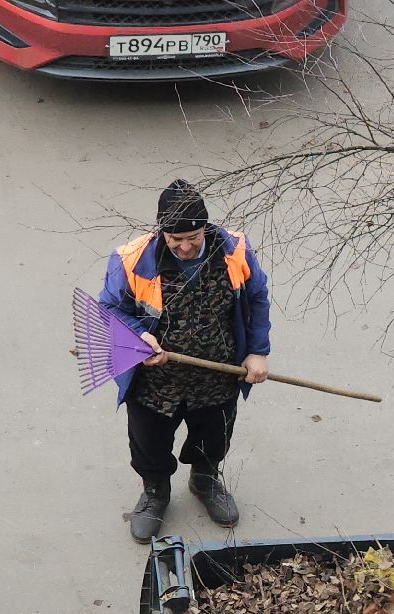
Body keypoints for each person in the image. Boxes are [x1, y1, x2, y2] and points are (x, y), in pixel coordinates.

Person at [100, 179, 272, 543]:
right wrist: (137, 336)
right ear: (161, 232)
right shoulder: (130, 259)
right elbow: (110, 308)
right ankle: (155, 492)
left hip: (218, 372)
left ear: (204, 227)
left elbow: (256, 297)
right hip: (154, 382)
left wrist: (258, 351)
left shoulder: (234, 250)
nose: (184, 246)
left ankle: (205, 480)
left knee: (214, 436)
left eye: (192, 237)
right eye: (174, 239)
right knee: (149, 443)